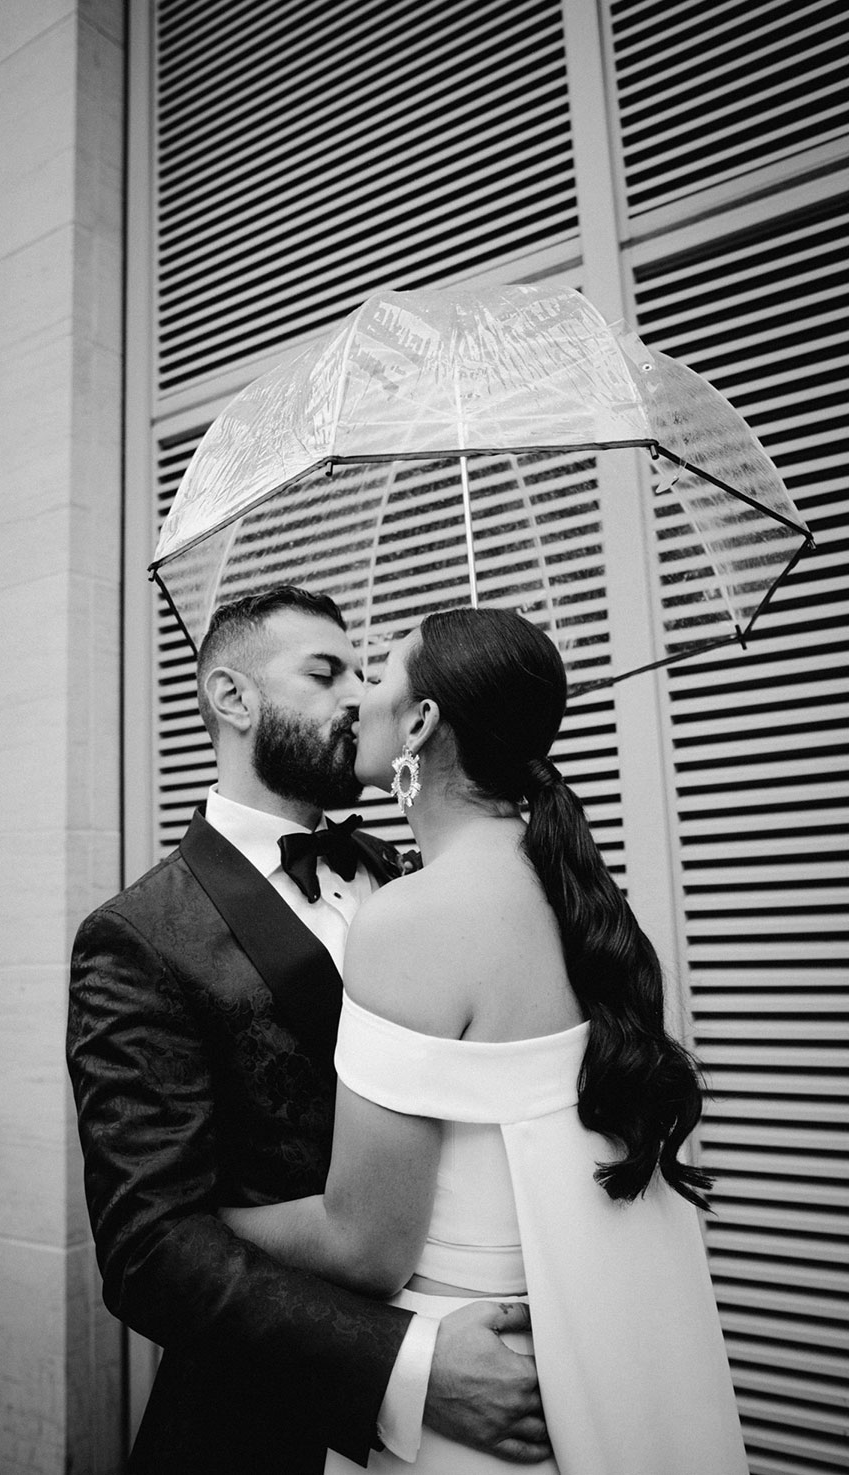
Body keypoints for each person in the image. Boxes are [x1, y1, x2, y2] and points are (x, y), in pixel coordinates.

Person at [219, 604, 750, 1474]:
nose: (356, 699)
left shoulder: (412, 920)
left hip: (465, 1393)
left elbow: (365, 1243)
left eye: (378, 675)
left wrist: (212, 1210)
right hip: (580, 1360)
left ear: (422, 722)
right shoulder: (575, 893)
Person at [67, 587, 552, 1474]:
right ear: (232, 698)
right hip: (260, 1428)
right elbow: (149, 1251)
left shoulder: (414, 879)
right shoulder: (136, 936)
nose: (361, 696)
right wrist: (407, 1364)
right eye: (327, 672)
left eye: (367, 673)